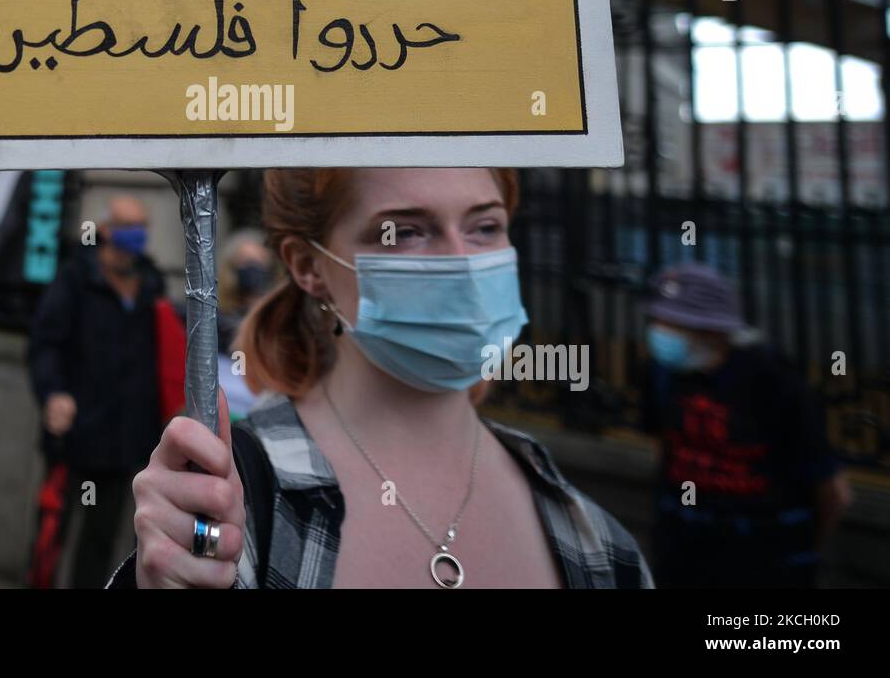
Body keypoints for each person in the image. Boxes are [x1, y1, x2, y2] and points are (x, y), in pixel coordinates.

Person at [109, 167, 652, 589]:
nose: (461, 264)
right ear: (308, 266)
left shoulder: (597, 540)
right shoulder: (235, 508)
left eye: (485, 226)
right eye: (407, 232)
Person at [640, 262, 851, 588]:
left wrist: (802, 551)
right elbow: (662, 448)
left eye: (670, 323)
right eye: (658, 320)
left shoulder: (772, 381)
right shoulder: (662, 374)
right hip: (683, 548)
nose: (659, 331)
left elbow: (831, 490)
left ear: (710, 330)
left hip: (764, 556)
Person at [28, 195, 166, 588]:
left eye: (141, 227)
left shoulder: (151, 285)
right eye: (126, 226)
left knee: (101, 541)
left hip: (123, 443)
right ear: (104, 230)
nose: (134, 237)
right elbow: (45, 344)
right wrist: (53, 393)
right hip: (73, 437)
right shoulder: (75, 280)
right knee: (51, 535)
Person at [216, 230, 271, 421]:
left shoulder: (275, 322)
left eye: (260, 264)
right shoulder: (215, 319)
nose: (255, 271)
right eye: (247, 263)